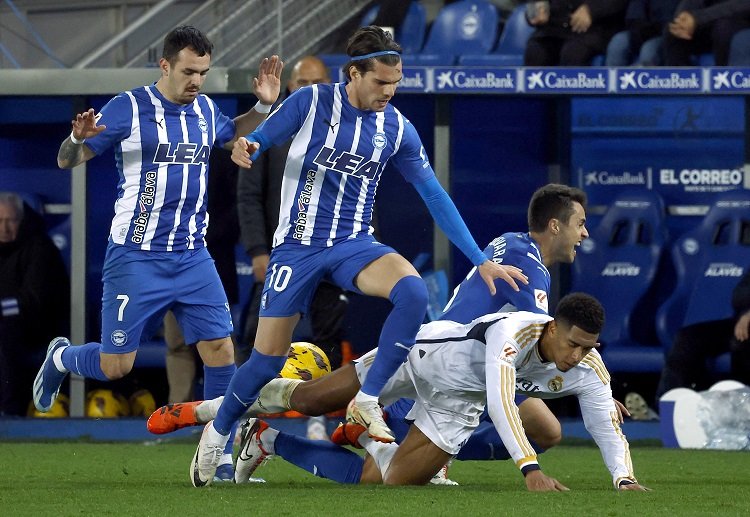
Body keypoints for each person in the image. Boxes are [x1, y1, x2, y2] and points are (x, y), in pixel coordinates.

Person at [189, 25, 527, 487]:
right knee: (266, 362)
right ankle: (219, 433)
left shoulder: (397, 128)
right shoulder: (311, 102)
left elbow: (434, 195)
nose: (389, 91)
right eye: (380, 82)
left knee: (411, 292)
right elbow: (260, 139)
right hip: (298, 246)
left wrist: (479, 259)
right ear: (354, 73)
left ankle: (367, 398)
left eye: (396, 82)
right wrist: (248, 146)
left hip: (354, 244)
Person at [33, 26, 282, 481]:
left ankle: (218, 456)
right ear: (164, 65)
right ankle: (63, 359)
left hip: (192, 256)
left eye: (204, 73)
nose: (197, 81)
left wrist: (263, 107)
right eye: (189, 71)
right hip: (135, 258)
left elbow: (231, 135)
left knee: (221, 350)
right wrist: (75, 139)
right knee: (116, 365)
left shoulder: (205, 108)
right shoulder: (128, 107)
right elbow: (68, 160)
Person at [232, 294, 648, 491]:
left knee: (393, 482)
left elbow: (605, 425)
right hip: (422, 358)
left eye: (588, 348)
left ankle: (265, 438)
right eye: (573, 344)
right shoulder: (513, 332)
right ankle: (224, 406)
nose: (578, 355)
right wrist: (530, 469)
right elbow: (502, 403)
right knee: (311, 400)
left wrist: (623, 478)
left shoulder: (589, 367)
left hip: (457, 404)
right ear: (553, 328)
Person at [237, 55, 344, 442]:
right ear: (290, 88)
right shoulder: (274, 129)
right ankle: (243, 417)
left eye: (318, 82)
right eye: (302, 83)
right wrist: (258, 251)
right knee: (257, 341)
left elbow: (364, 192)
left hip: (333, 255)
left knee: (328, 339)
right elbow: (248, 196)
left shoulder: (346, 128)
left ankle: (319, 416)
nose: (311, 90)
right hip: (282, 256)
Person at [0, 192, 69, 416]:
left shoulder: (40, 247)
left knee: (4, 333)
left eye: (10, 220)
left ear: (22, 220)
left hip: (36, 327)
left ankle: (10, 414)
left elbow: (35, 300)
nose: (4, 227)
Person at [655, 268, 750, 401]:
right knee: (688, 337)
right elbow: (739, 294)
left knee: (741, 341)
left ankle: (740, 406)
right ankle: (671, 403)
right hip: (743, 321)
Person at [524, 0, 628, 66]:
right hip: (552, 30)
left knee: (572, 53)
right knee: (535, 52)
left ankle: (570, 101)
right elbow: (533, 6)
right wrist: (535, 12)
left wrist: (591, 9)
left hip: (590, 30)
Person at [662, 0, 750, 66]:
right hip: (710, 19)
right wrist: (683, 18)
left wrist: (698, 18)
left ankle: (722, 84)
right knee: (674, 31)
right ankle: (680, 83)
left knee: (723, 27)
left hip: (742, 19)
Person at [605, 0, 681, 66]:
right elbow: (634, 15)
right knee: (618, 42)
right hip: (644, 31)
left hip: (670, 35)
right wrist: (642, 29)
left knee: (648, 49)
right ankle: (613, 81)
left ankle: (646, 80)